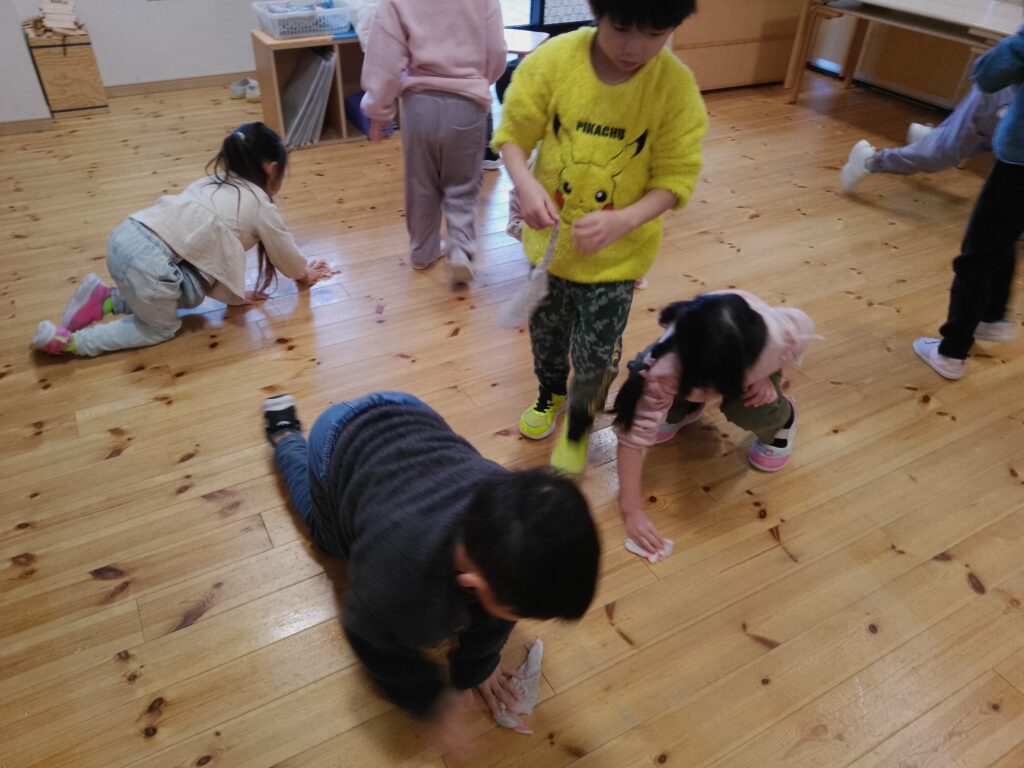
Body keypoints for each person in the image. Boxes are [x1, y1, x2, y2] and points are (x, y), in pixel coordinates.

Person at [261, 391, 600, 754]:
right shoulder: (398, 574)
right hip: (336, 442)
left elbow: (494, 614)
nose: (516, 618)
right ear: (472, 584)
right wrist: (430, 699)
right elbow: (368, 635)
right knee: (325, 536)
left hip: (409, 412)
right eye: (518, 612)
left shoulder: (506, 501)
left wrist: (479, 666)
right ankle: (286, 436)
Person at [492, 0, 708, 475]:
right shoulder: (556, 60)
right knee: (546, 337)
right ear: (596, 11)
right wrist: (524, 184)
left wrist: (625, 220)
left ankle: (579, 423)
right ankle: (550, 393)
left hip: (617, 261)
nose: (634, 48)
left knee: (596, 353)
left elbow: (675, 179)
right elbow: (513, 133)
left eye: (653, 34)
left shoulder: (674, 87)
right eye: (622, 28)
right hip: (550, 252)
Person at [30, 122, 332, 357]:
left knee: (183, 291)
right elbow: (284, 253)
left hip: (126, 234)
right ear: (273, 169)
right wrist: (304, 273)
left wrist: (236, 294)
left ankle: (105, 300)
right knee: (158, 329)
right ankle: (71, 343)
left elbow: (204, 255)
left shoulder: (209, 182)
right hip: (151, 264)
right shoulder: (260, 206)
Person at [612, 292, 816, 556]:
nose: (710, 397)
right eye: (702, 391)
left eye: (711, 392)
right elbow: (632, 439)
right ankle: (683, 408)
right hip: (694, 364)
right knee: (655, 394)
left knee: (750, 406)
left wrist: (765, 375)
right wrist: (632, 511)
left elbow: (803, 326)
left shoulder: (778, 338)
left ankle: (783, 418)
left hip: (753, 363)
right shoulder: (663, 371)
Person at [360, 0, 508, 284]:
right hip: (467, 104)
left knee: (421, 183)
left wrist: (378, 111)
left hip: (419, 105)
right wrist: (477, 81)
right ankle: (460, 249)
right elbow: (497, 52)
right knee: (462, 184)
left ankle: (422, 252)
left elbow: (384, 57)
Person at [914, 26, 1024, 380]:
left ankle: (952, 352)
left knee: (976, 256)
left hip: (1019, 165)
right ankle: (991, 317)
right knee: (1003, 236)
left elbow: (987, 75)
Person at [840, 84, 1014, 194]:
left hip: (1007, 101)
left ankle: (930, 139)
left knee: (975, 145)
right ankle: (869, 161)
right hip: (1002, 97)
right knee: (940, 154)